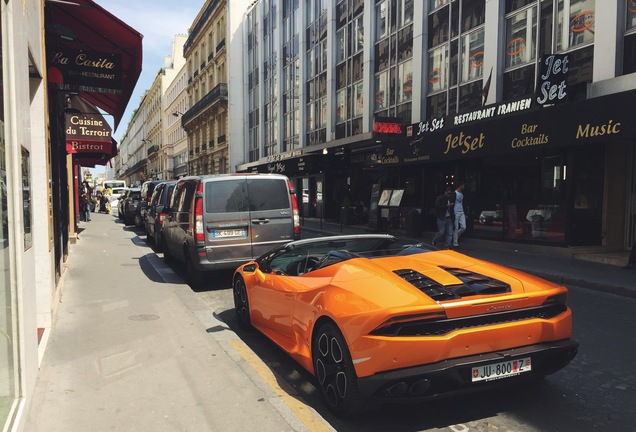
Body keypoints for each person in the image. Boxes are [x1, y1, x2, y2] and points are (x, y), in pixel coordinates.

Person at [452, 181, 466, 248]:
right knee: (456, 227)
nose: (464, 187)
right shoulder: (454, 193)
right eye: (463, 185)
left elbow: (462, 203)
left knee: (463, 227)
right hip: (456, 211)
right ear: (460, 186)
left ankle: (455, 236)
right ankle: (455, 243)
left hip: (461, 211)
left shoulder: (462, 194)